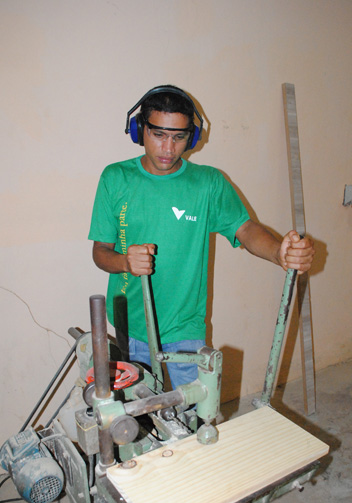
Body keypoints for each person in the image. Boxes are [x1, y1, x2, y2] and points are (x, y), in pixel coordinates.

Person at [88, 85, 315, 388]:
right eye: (159, 134)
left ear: (192, 137)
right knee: (139, 411)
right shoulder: (115, 178)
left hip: (186, 325)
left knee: (197, 410)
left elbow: (245, 229)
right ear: (140, 130)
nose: (168, 148)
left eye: (179, 137)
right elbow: (100, 252)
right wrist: (126, 262)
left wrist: (279, 252)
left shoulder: (208, 183)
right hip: (131, 322)